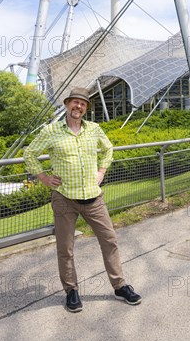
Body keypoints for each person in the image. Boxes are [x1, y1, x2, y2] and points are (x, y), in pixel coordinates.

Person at [24, 87, 142, 312]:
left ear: (86, 108)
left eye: (83, 104)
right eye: (74, 102)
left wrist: (102, 172)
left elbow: (108, 150)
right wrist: (43, 177)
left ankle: (120, 286)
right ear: (67, 104)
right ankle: (71, 291)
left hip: (93, 199)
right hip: (64, 198)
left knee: (109, 241)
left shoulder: (94, 130)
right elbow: (29, 153)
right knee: (65, 248)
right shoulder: (51, 131)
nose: (78, 106)